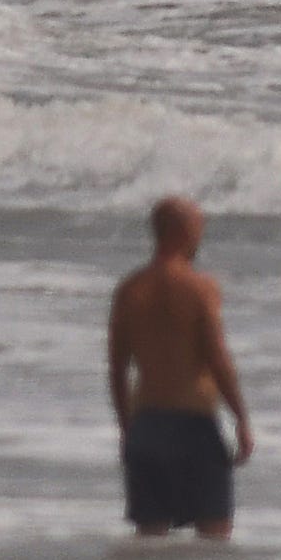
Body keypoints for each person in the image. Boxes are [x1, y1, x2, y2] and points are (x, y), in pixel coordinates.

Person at [107, 195, 254, 540]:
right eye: (197, 230)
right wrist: (241, 418)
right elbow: (217, 358)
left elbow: (116, 369)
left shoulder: (129, 290)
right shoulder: (200, 288)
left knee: (149, 546)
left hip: (146, 428)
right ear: (183, 232)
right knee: (214, 542)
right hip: (193, 428)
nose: (199, 238)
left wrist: (129, 430)